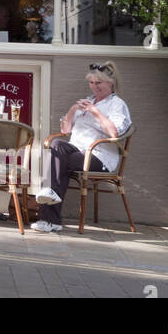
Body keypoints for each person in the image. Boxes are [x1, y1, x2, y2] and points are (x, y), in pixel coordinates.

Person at [32, 60, 132, 232]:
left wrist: (96, 112)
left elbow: (114, 134)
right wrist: (72, 110)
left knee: (58, 162)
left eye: (98, 83)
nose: (94, 87)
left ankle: (50, 218)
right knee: (56, 144)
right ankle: (50, 206)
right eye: (92, 83)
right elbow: (65, 130)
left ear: (111, 82)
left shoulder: (117, 104)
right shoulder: (88, 101)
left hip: (99, 156)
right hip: (77, 150)